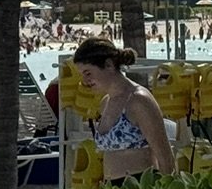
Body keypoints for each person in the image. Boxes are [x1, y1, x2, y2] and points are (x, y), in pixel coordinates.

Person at [72, 38, 176, 180]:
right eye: (82, 75)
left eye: (88, 73)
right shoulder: (105, 103)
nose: (85, 81)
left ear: (108, 65)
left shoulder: (138, 100)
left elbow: (165, 155)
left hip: (141, 186)